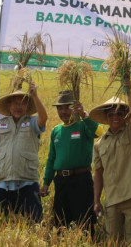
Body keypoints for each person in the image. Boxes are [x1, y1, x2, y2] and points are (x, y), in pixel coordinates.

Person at [0, 82, 47, 221]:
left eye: (22, 103)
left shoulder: (32, 122)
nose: (18, 107)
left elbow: (44, 118)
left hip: (27, 182)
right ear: (8, 106)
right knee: (2, 223)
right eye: (15, 103)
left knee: (34, 222)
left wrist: (35, 96)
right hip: (3, 183)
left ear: (27, 106)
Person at [91, 77, 131, 245]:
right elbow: (98, 173)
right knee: (113, 242)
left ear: (125, 116)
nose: (115, 117)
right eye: (111, 114)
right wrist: (96, 200)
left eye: (119, 113)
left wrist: (128, 91)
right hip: (112, 201)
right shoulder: (100, 143)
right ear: (106, 117)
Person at [40, 90, 102, 236]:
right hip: (61, 181)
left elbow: (99, 133)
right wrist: (46, 183)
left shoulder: (83, 125)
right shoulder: (56, 131)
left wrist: (84, 115)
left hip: (81, 180)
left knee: (85, 223)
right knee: (61, 223)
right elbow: (51, 158)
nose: (63, 111)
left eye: (67, 107)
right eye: (59, 108)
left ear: (74, 108)